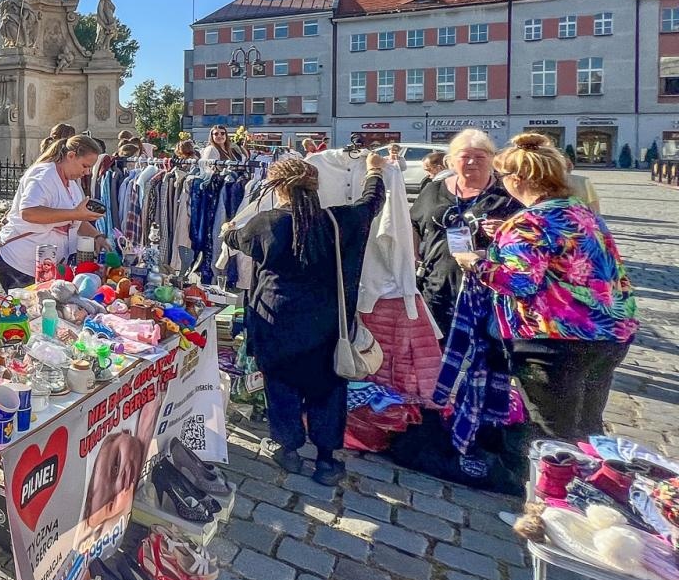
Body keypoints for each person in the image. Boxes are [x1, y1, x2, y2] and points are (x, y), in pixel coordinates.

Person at [451, 134, 637, 440]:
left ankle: (552, 484)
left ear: (518, 179)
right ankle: (592, 477)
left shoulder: (529, 222)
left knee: (551, 432)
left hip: (554, 339)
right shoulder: (579, 211)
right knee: (588, 424)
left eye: (502, 176)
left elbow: (519, 282)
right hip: (610, 333)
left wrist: (473, 262)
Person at [224, 151, 388, 485]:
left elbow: (235, 238)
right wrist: (374, 171)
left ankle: (289, 450)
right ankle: (328, 461)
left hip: (276, 320)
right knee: (327, 389)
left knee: (281, 386)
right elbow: (372, 202)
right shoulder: (338, 221)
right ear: (315, 186)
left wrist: (228, 228)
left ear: (278, 187)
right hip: (323, 324)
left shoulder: (266, 222)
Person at [411, 128, 518, 337]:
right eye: (465, 156)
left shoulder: (508, 195)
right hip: (437, 287)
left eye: (480, 156)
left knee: (485, 359)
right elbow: (413, 223)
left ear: (492, 159)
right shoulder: (434, 190)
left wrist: (506, 232)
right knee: (436, 356)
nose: (472, 162)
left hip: (490, 292)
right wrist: (413, 256)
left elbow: (531, 240)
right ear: (451, 161)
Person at [0, 134, 104, 289]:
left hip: (44, 267)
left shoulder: (72, 183)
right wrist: (75, 214)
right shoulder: (43, 175)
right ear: (71, 156)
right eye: (85, 166)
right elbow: (29, 212)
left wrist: (97, 236)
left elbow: (75, 219)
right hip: (19, 266)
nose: (87, 172)